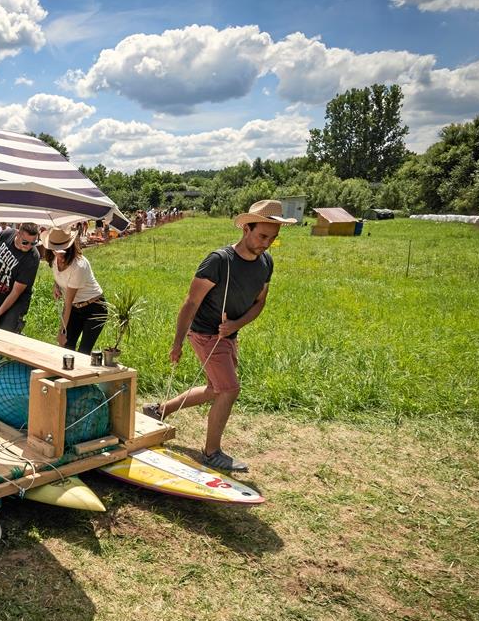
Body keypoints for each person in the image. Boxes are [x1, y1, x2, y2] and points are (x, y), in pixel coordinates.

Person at [143, 200, 293, 473]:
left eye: (273, 238)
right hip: (205, 333)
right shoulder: (219, 261)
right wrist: (177, 343)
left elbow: (260, 302)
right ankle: (212, 453)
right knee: (229, 389)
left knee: (215, 388)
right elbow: (190, 302)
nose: (267, 243)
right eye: (262, 236)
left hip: (227, 334)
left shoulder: (265, 262)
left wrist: (236, 324)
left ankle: (160, 410)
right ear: (246, 228)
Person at [43, 228, 106, 354]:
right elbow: (60, 276)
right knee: (67, 348)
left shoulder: (79, 265)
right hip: (75, 307)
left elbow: (68, 302)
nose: (58, 253)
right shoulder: (54, 259)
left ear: (70, 246)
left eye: (62, 249)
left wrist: (62, 331)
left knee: (83, 352)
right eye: (55, 249)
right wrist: (56, 285)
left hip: (94, 308)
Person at [0, 222, 41, 333]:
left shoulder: (32, 258)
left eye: (33, 243)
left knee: (4, 333)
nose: (28, 246)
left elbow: (16, 292)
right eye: (25, 242)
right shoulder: (6, 234)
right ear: (18, 233)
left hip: (17, 300)